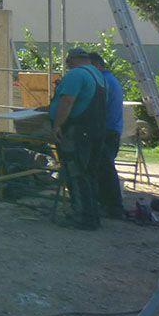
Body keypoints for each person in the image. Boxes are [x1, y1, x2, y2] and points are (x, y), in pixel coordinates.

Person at [49, 47, 108, 230]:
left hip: (77, 132)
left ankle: (82, 217)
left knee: (76, 173)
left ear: (72, 60)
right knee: (89, 173)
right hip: (96, 130)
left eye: (68, 62)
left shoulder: (76, 74)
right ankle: (92, 214)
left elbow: (67, 101)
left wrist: (57, 125)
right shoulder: (97, 75)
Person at [89, 51, 127, 218]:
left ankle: (113, 207)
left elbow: (97, 107)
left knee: (105, 169)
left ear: (97, 65)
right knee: (104, 168)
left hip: (106, 130)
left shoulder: (103, 82)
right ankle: (107, 204)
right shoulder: (111, 79)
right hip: (112, 129)